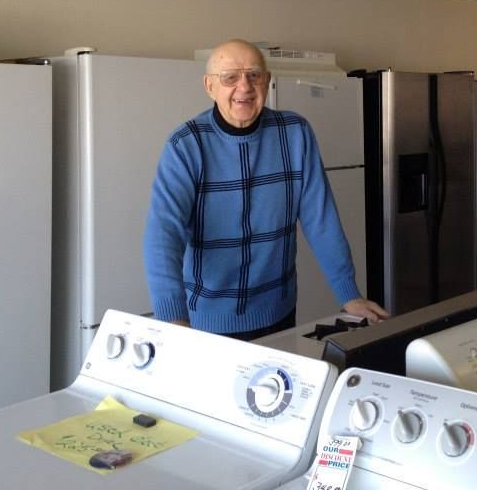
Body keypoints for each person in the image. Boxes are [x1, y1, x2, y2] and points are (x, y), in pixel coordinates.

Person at [143, 39, 388, 340]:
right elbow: (163, 235)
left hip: (279, 314)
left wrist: (349, 294)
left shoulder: (295, 132)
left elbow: (321, 220)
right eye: (230, 78)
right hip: (205, 324)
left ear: (267, 81)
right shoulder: (186, 144)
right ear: (210, 86)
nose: (244, 87)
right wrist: (174, 320)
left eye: (254, 75)